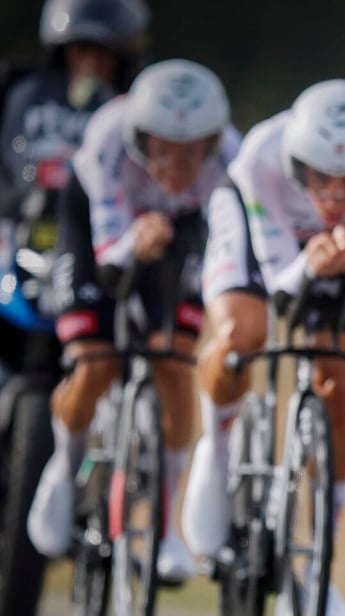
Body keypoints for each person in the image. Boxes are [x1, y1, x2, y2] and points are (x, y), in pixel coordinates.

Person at [185, 78, 345, 615]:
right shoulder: (262, 157)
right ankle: (216, 455)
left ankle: (318, 566)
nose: (334, 192)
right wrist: (310, 263)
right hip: (256, 228)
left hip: (329, 250)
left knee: (340, 381)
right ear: (295, 162)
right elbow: (278, 288)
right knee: (244, 336)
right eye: (319, 176)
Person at [26, 58, 237, 586]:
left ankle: (165, 524)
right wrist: (134, 243)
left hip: (182, 232)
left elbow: (230, 245)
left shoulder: (232, 157)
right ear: (141, 136)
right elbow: (109, 259)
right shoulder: (106, 142)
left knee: (173, 363)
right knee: (94, 365)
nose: (179, 164)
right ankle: (64, 468)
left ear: (213, 140)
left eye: (193, 151)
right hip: (102, 227)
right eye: (164, 148)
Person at [0, 0, 149, 377]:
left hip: (90, 235)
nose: (91, 64)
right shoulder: (23, 92)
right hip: (16, 231)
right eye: (82, 50)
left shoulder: (126, 109)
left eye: (104, 54)